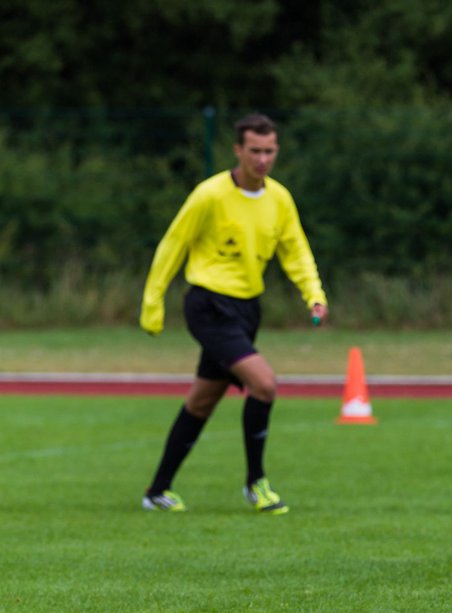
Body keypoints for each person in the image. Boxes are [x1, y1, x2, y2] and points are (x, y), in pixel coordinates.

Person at [138, 112, 328, 515]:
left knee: (202, 401)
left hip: (246, 309)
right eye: (254, 151)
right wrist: (153, 302)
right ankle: (256, 483)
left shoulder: (279, 199)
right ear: (238, 150)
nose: (262, 159)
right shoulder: (209, 195)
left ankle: (157, 491)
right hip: (208, 304)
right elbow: (172, 246)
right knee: (264, 384)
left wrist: (313, 294)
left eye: (270, 151)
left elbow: (295, 251)